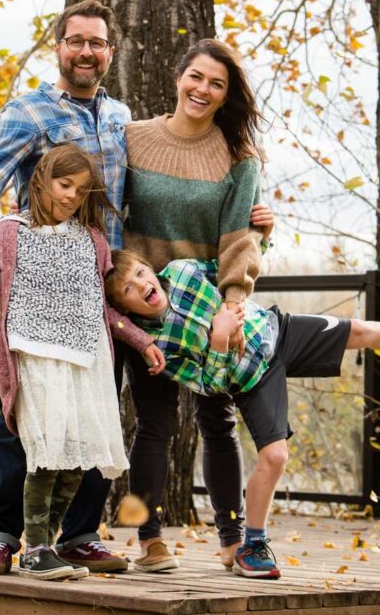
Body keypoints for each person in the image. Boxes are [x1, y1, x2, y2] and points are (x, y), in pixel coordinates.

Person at [0, 2, 270, 575]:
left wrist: (258, 227)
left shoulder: (119, 119)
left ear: (111, 52)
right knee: (21, 416)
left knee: (94, 411)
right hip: (35, 293)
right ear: (58, 46)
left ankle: (80, 532)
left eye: (97, 43)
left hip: (98, 295)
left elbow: (156, 197)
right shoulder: (30, 111)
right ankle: (1, 534)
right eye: (75, 41)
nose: (86, 51)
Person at [106, 250, 380, 580]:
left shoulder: (184, 270)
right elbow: (209, 384)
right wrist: (219, 340)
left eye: (141, 273)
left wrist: (262, 235)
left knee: (360, 330)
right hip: (251, 377)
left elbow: (235, 269)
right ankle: (253, 544)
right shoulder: (160, 348)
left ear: (151, 270)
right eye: (128, 289)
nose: (140, 285)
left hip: (278, 331)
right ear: (124, 309)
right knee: (275, 456)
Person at [0, 144, 162, 580]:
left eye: (81, 191)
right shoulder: (9, 233)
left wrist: (141, 341)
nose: (70, 196)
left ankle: (49, 545)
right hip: (35, 361)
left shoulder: (92, 241)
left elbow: (101, 308)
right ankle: (30, 549)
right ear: (42, 180)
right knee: (45, 460)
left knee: (73, 466)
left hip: (86, 364)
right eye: (65, 185)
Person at [118, 39, 272, 572]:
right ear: (179, 77)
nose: (202, 90)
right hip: (149, 308)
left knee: (217, 421)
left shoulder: (237, 158)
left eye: (217, 84)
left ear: (227, 96)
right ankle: (149, 541)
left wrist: (232, 308)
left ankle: (232, 541)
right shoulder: (131, 138)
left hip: (208, 309)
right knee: (154, 424)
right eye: (196, 77)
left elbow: (238, 241)